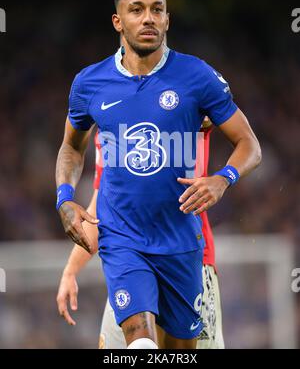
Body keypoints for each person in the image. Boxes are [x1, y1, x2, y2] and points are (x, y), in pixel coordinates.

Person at [55, 0, 261, 349]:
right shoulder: (91, 86)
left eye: (157, 10)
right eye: (137, 10)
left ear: (168, 20)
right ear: (118, 21)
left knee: (181, 350)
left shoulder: (197, 78)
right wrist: (63, 200)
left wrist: (223, 178)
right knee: (137, 342)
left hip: (184, 242)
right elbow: (77, 157)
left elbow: (249, 144)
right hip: (124, 241)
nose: (148, 18)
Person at [57, 118, 225, 349]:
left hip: (186, 263)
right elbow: (101, 209)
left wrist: (226, 176)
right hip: (132, 263)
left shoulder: (181, 95)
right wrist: (71, 270)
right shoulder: (108, 126)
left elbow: (214, 110)